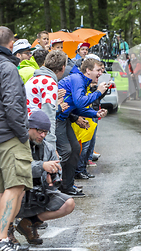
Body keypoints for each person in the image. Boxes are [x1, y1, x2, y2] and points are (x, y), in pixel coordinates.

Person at [0, 26, 33, 251]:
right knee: (15, 185)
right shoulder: (6, 67)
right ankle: (1, 239)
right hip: (9, 135)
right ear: (11, 43)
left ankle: (0, 237)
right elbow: (13, 105)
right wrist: (23, 133)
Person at [15, 110, 75, 246]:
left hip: (40, 193)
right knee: (17, 189)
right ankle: (8, 231)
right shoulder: (18, 144)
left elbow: (57, 171)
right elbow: (18, 168)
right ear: (30, 127)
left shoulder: (48, 148)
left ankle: (29, 223)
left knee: (69, 203)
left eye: (46, 132)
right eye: (40, 131)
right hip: (19, 193)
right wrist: (42, 166)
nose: (42, 135)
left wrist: (53, 179)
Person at [56, 59, 109, 197]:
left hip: (65, 118)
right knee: (66, 151)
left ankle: (67, 185)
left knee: (76, 148)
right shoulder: (77, 79)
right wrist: (98, 92)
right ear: (88, 70)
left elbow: (77, 108)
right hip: (56, 119)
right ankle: (56, 185)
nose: (100, 73)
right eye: (98, 70)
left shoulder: (83, 81)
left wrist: (95, 113)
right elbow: (79, 102)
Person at [25, 51, 68, 150]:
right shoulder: (50, 83)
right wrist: (52, 147)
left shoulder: (34, 79)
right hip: (36, 130)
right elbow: (48, 118)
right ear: (62, 68)